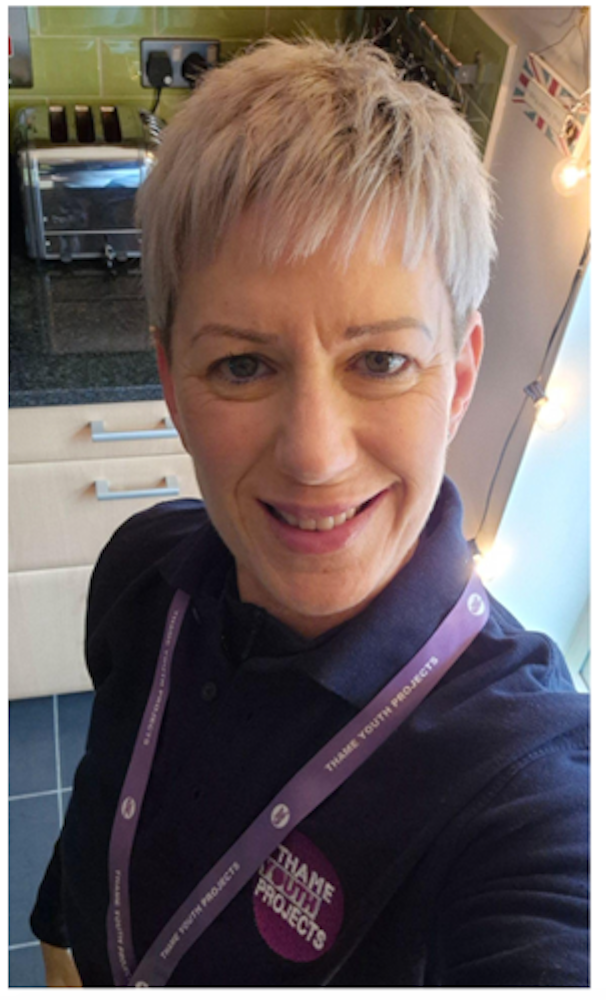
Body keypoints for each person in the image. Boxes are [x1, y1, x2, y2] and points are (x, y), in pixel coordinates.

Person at [31, 37, 589, 987]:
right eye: (243, 365)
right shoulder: (142, 576)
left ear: (459, 378)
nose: (315, 455)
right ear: (171, 380)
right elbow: (84, 880)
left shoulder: (528, 789)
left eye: (381, 361)